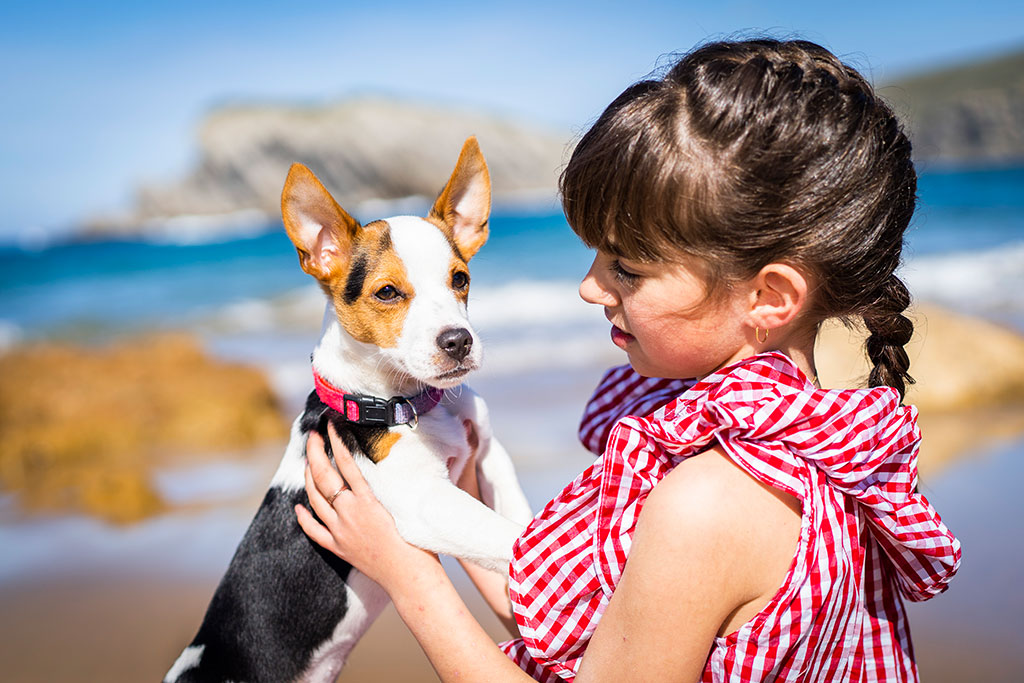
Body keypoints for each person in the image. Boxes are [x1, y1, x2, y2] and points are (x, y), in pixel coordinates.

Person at [294, 38, 961, 681]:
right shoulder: (813, 446)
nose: (589, 286)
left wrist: (408, 573)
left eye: (628, 268)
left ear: (769, 296)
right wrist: (460, 495)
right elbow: (577, 631)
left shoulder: (709, 500)